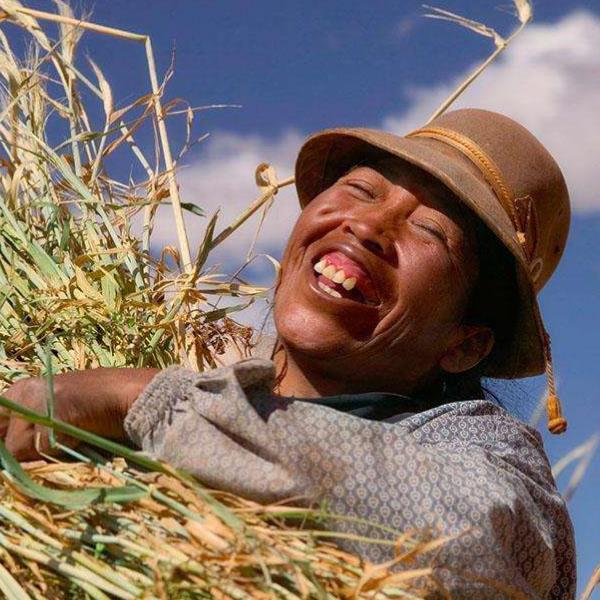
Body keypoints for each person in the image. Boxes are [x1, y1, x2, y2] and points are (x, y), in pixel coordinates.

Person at [0, 109, 575, 598]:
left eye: (430, 230)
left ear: (464, 345)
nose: (368, 226)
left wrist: (141, 401)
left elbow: (475, 538)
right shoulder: (194, 359)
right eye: (361, 190)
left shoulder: (486, 454)